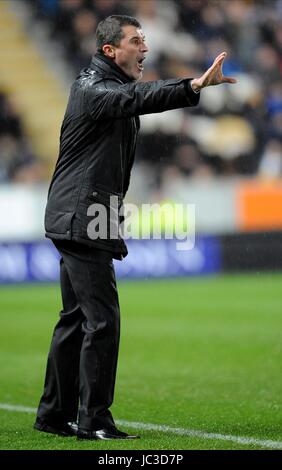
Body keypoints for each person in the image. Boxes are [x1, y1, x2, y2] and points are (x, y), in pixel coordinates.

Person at [34, 15, 236, 440]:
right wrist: (192, 86)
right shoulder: (92, 88)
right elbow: (135, 99)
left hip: (83, 214)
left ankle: (53, 414)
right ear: (111, 50)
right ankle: (94, 420)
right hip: (82, 217)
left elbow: (131, 100)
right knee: (101, 321)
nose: (145, 48)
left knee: (75, 318)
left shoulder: (106, 87)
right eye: (136, 41)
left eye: (145, 39)